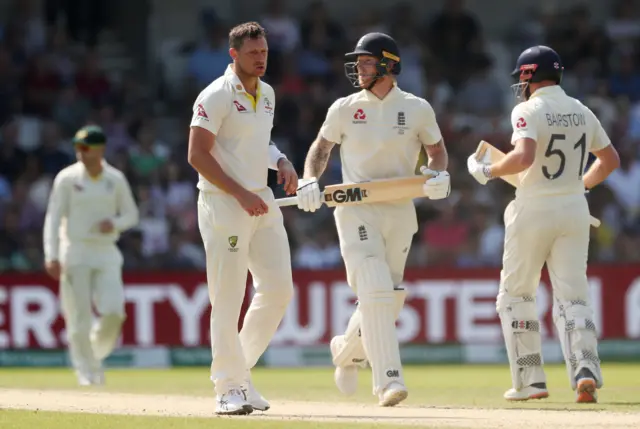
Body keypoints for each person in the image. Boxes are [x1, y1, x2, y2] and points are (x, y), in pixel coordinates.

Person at [296, 32, 451, 406]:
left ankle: (346, 350)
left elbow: (436, 151)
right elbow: (321, 147)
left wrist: (438, 175)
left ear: (388, 65)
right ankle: (388, 381)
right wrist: (309, 180)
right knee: (377, 291)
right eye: (358, 63)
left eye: (366, 62)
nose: (358, 68)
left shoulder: (417, 108)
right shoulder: (345, 107)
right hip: (355, 206)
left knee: (387, 297)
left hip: (399, 208)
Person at [466, 45, 620, 403]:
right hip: (574, 210)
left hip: (534, 208)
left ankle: (530, 380)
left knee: (516, 294)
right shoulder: (581, 110)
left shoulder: (528, 109)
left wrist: (486, 170)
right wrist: (579, 185)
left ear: (526, 76)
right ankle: (586, 369)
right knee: (573, 296)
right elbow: (610, 160)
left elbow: (524, 157)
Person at [187, 21, 298, 415]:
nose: (261, 59)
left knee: (278, 289)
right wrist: (240, 193)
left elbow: (258, 140)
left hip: (261, 201)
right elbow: (197, 154)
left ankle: (240, 373)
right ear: (233, 54)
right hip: (224, 203)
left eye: (264, 52)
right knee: (228, 297)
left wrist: (280, 160)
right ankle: (226, 388)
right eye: (253, 53)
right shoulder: (215, 95)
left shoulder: (266, 93)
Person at [43, 125, 139, 386]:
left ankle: (92, 355)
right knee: (79, 316)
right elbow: (53, 218)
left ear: (101, 149)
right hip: (75, 250)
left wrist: (115, 223)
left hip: (106, 251)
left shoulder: (115, 179)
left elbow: (131, 214)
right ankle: (85, 369)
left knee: (114, 312)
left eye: (87, 148)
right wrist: (51, 254)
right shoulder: (67, 178)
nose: (82, 153)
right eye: (79, 147)